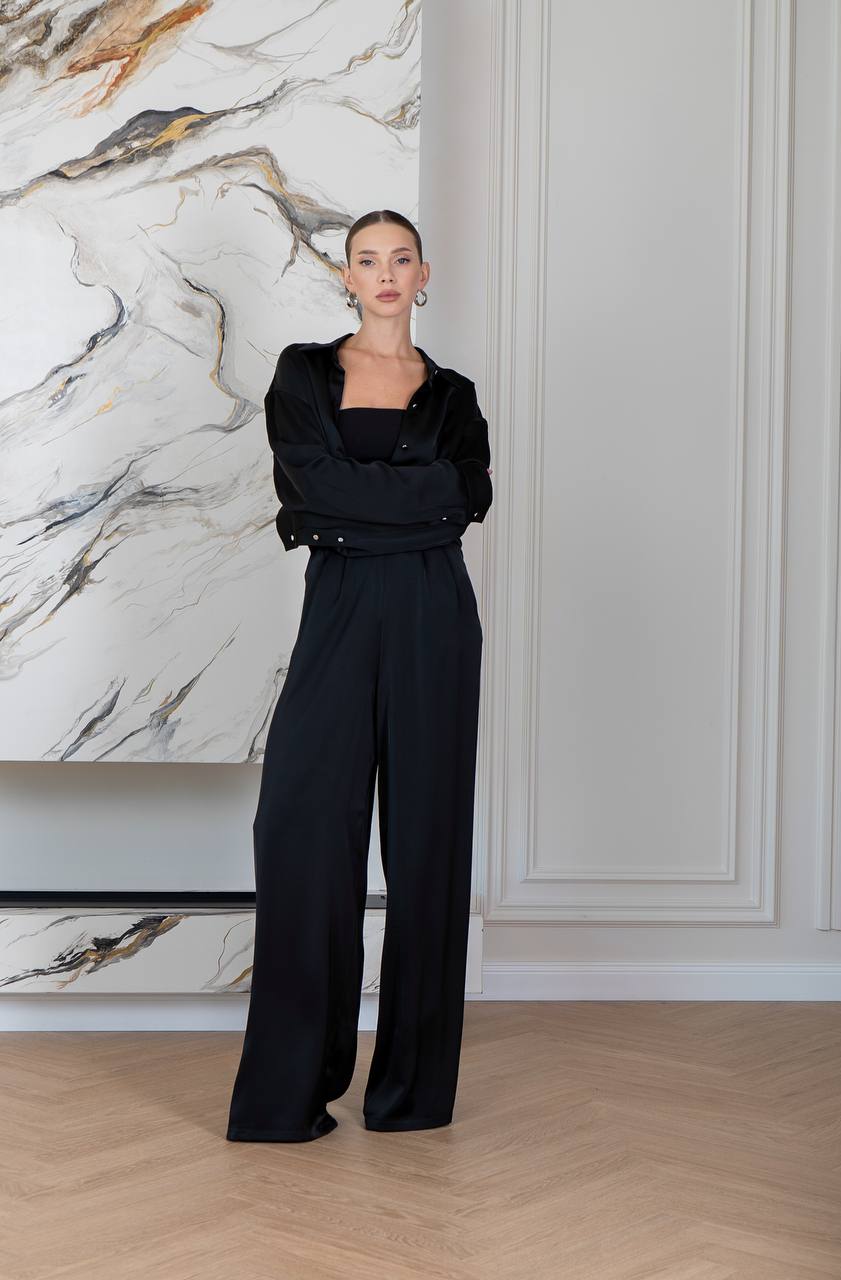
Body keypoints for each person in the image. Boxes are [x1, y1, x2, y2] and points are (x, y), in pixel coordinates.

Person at [226, 209, 493, 1142]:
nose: (385, 274)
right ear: (346, 278)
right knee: (300, 833)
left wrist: (361, 508)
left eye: (401, 259)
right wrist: (402, 506)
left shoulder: (452, 395)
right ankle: (289, 1095)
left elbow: (468, 501)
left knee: (426, 849)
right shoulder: (304, 373)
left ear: (426, 274)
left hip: (433, 618)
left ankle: (411, 1096)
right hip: (339, 609)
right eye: (367, 260)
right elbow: (310, 489)